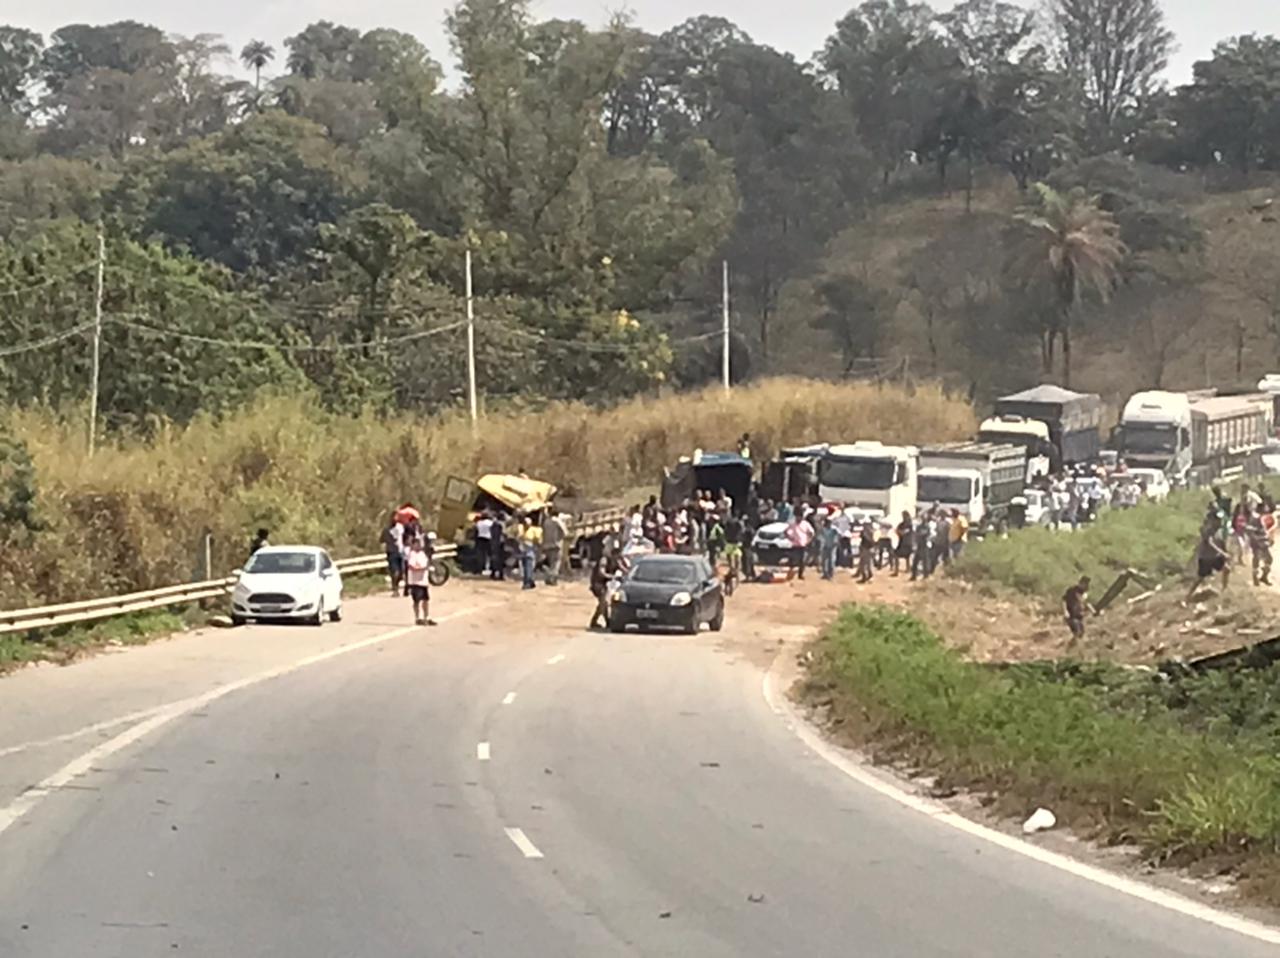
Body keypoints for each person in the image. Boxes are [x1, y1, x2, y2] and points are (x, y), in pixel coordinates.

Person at [1188, 517, 1231, 602]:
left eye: (1220, 520)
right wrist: (1223, 553)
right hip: (1206, 558)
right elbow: (1210, 543)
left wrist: (1225, 552)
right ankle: (1188, 596)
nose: (1220, 522)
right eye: (1217, 520)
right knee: (1200, 578)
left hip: (1215, 557)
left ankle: (1224, 590)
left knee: (1227, 569)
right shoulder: (1209, 531)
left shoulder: (1220, 531)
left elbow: (1221, 542)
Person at [404, 534, 436, 626]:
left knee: (425, 600)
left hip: (423, 581)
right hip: (415, 581)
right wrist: (421, 568)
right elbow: (412, 566)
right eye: (416, 544)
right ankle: (417, 618)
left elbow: (425, 564)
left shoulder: (422, 554)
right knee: (416, 601)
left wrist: (424, 568)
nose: (418, 546)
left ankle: (426, 617)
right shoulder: (412, 554)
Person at [588, 549, 617, 630]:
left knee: (603, 604)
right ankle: (604, 621)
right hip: (597, 583)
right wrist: (612, 577)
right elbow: (601, 573)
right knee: (603, 603)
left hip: (603, 584)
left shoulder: (615, 560)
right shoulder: (604, 560)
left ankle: (600, 621)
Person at [1246, 509, 1273, 586]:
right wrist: (1260, 540)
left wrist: (1267, 539)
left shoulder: (1261, 519)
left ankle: (1263, 577)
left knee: (1269, 559)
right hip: (1257, 544)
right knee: (1257, 560)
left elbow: (1264, 532)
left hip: (1263, 543)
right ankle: (1255, 578)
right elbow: (1252, 534)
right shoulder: (1255, 519)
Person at [785, 511, 813, 580]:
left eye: (800, 516)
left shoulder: (806, 524)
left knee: (802, 561)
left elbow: (811, 533)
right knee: (793, 560)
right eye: (797, 516)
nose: (798, 518)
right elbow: (785, 531)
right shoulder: (792, 524)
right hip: (795, 545)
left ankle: (800, 575)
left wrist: (808, 541)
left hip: (803, 545)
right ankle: (791, 574)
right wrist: (790, 538)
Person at [542, 508, 567, 586]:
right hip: (556, 544)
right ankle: (552, 579)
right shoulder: (557, 521)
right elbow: (565, 532)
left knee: (550, 562)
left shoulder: (546, 521)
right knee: (556, 563)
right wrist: (560, 538)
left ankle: (548, 578)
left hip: (547, 544)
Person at [382, 514, 405, 596]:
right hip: (391, 552)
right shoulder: (387, 530)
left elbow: (405, 538)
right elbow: (383, 541)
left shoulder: (401, 528)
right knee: (395, 571)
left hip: (401, 551)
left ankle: (397, 585)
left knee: (402, 571)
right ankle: (395, 589)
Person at [1062, 576, 1090, 641]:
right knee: (1077, 631)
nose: (1085, 585)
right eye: (1084, 583)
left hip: (1080, 617)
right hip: (1071, 616)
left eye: (1086, 584)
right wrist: (1065, 611)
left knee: (1081, 634)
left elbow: (1085, 603)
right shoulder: (1071, 591)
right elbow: (1064, 600)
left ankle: (1072, 648)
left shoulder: (1084, 593)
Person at [518, 516, 542, 590]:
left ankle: (528, 582)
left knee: (529, 568)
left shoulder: (533, 531)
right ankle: (529, 582)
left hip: (530, 552)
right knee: (527, 568)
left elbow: (537, 541)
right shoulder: (521, 531)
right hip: (524, 552)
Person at [893, 511, 914, 576]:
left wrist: (900, 532)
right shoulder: (902, 524)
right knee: (903, 556)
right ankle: (900, 570)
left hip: (907, 542)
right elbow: (897, 530)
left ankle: (900, 571)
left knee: (902, 556)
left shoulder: (909, 524)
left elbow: (904, 532)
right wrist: (899, 532)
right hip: (902, 542)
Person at [819, 517, 839, 581]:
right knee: (824, 560)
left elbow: (838, 535)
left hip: (832, 546)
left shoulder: (834, 529)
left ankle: (831, 574)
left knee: (831, 560)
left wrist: (836, 542)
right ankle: (825, 573)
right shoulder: (823, 529)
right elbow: (820, 536)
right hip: (825, 545)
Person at [474, 511, 493, 575]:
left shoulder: (479, 523)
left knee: (480, 555)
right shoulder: (490, 523)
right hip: (488, 539)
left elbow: (476, 530)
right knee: (488, 554)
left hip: (480, 539)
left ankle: (479, 569)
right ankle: (487, 568)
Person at [489, 512, 506, 581]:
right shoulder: (501, 525)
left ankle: (493, 573)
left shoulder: (493, 525)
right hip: (500, 543)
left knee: (494, 558)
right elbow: (504, 533)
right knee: (501, 559)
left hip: (494, 543)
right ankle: (500, 574)